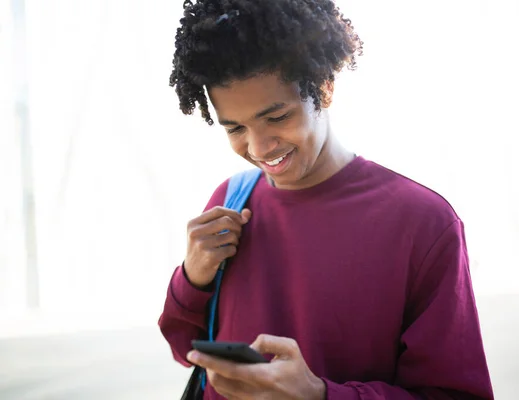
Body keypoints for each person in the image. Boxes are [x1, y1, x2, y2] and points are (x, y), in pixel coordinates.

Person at [158, 0, 494, 398]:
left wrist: (319, 394)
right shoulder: (231, 201)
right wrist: (192, 276)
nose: (259, 146)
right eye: (235, 128)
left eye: (278, 117)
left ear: (324, 87)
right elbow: (185, 349)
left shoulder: (423, 223)